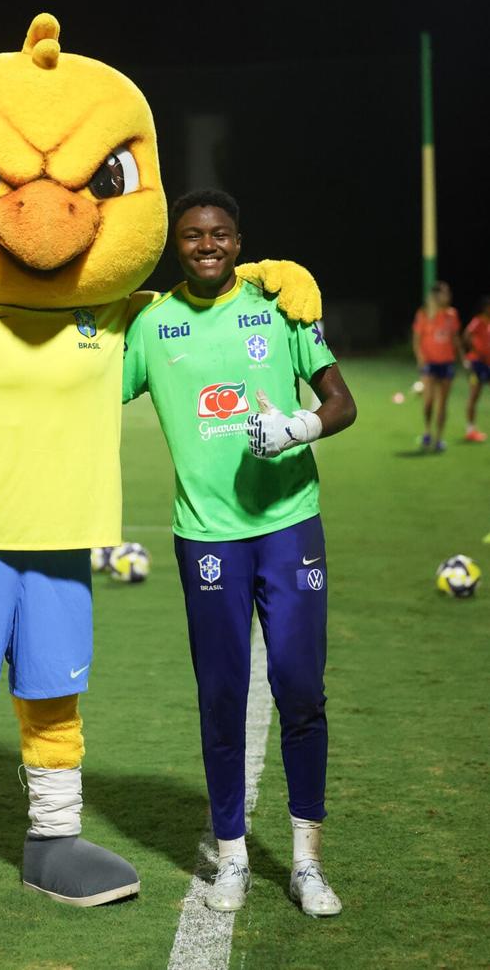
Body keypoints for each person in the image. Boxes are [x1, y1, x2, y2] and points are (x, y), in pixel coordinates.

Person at [122, 189, 357, 919]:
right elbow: (89, 395)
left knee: (300, 687)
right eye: (193, 236)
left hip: (289, 523)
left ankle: (308, 860)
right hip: (206, 538)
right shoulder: (153, 327)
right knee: (221, 696)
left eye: (219, 234)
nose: (207, 245)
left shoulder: (279, 305)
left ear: (238, 240)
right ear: (177, 247)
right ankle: (232, 857)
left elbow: (342, 400)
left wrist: (298, 427)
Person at [412, 281, 461, 452]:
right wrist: (421, 359)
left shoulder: (452, 314)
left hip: (446, 363)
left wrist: (462, 358)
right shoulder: (424, 313)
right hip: (429, 365)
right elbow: (417, 340)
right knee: (429, 403)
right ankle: (427, 431)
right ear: (436, 295)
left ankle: (439, 438)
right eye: (445, 293)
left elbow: (455, 338)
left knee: (443, 404)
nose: (448, 296)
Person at [463, 295, 490, 443]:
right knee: (474, 395)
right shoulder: (478, 321)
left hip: (487, 364)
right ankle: (470, 430)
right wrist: (475, 352)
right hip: (476, 364)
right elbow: (466, 335)